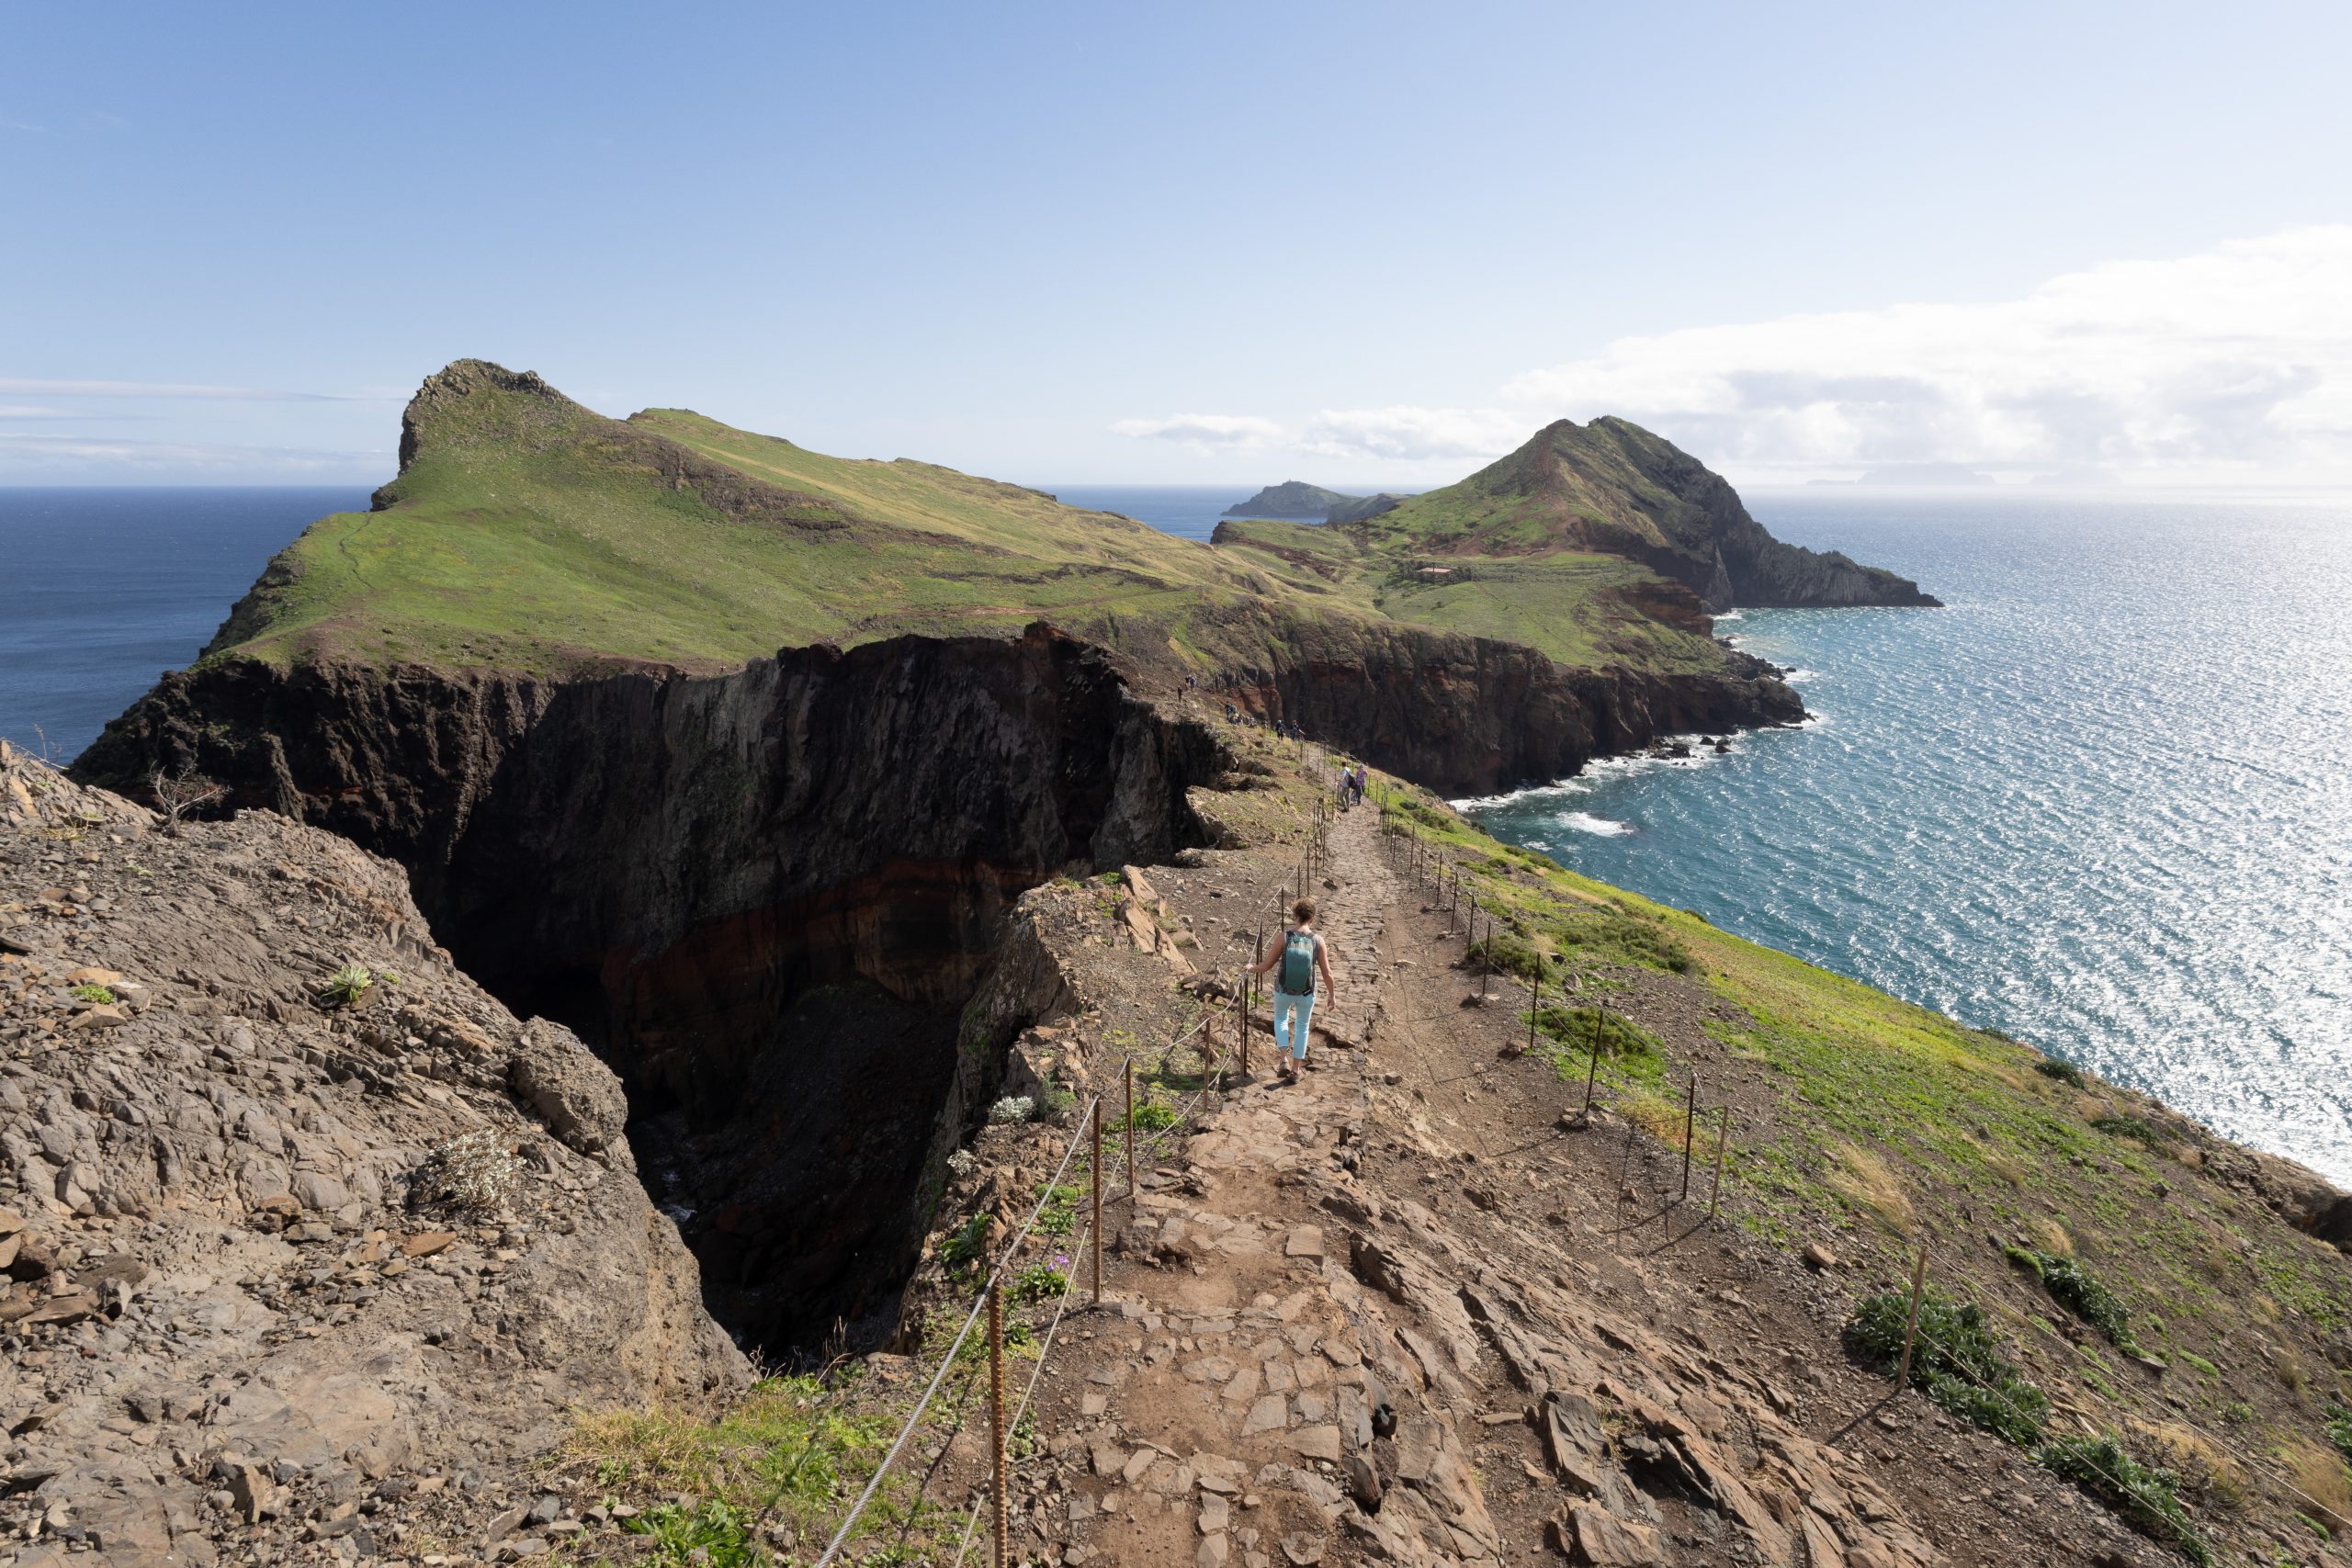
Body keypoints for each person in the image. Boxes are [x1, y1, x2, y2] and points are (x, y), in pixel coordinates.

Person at [1250, 897, 1339, 1082]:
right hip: (1306, 992)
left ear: (1295, 916)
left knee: (1281, 1019)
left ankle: (1283, 1059)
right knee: (1302, 1027)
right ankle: (1296, 1070)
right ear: (1312, 918)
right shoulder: (1317, 940)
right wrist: (1331, 995)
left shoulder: (1285, 937)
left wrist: (1252, 968)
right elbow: (1327, 972)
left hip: (1283, 989)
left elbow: (1266, 966)